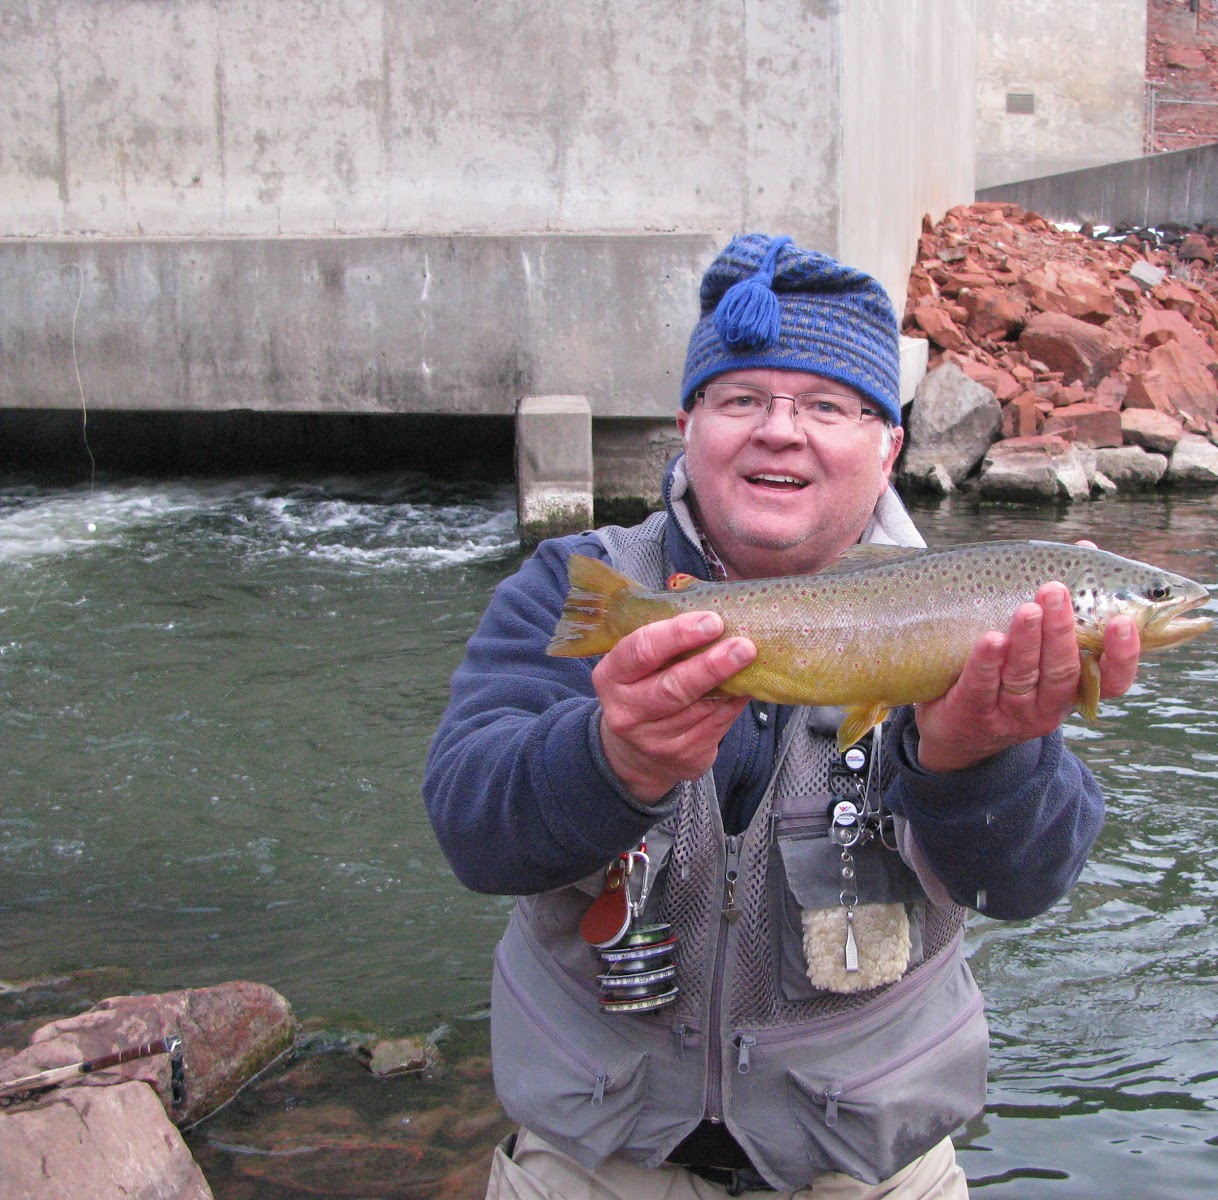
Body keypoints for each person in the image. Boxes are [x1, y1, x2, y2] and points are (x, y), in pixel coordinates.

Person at [424, 233, 1143, 1199]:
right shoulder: (575, 586)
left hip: (871, 1170)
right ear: (688, 423)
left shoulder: (976, 612)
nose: (779, 429)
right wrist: (611, 760)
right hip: (598, 1162)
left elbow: (1026, 884)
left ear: (889, 444)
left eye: (826, 406)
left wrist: (979, 763)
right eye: (740, 399)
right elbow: (471, 832)